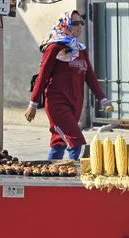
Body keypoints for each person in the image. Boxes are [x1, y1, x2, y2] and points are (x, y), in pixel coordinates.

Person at [25, 11, 113, 160]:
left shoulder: (80, 49)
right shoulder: (54, 48)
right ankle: (74, 175)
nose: (80, 26)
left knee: (59, 143)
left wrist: (103, 99)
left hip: (75, 103)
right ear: (65, 25)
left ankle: (49, 177)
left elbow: (90, 76)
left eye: (81, 23)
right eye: (75, 23)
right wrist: (33, 103)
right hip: (57, 103)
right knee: (76, 141)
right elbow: (43, 77)